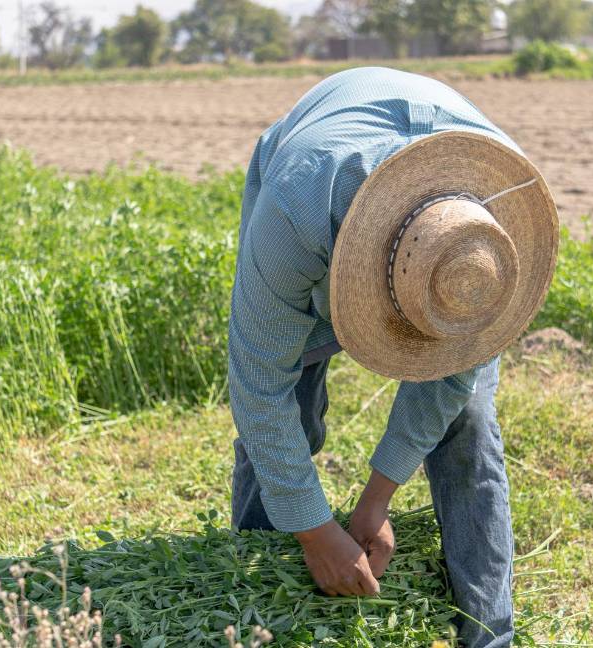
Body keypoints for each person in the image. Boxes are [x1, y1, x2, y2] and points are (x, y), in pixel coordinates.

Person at [227, 66, 558, 648]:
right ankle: (260, 611)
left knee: (468, 426)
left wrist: (375, 502)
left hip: (445, 199)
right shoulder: (296, 208)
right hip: (313, 176)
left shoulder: (490, 231)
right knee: (290, 406)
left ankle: (488, 634)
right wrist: (313, 533)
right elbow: (259, 383)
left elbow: (447, 386)